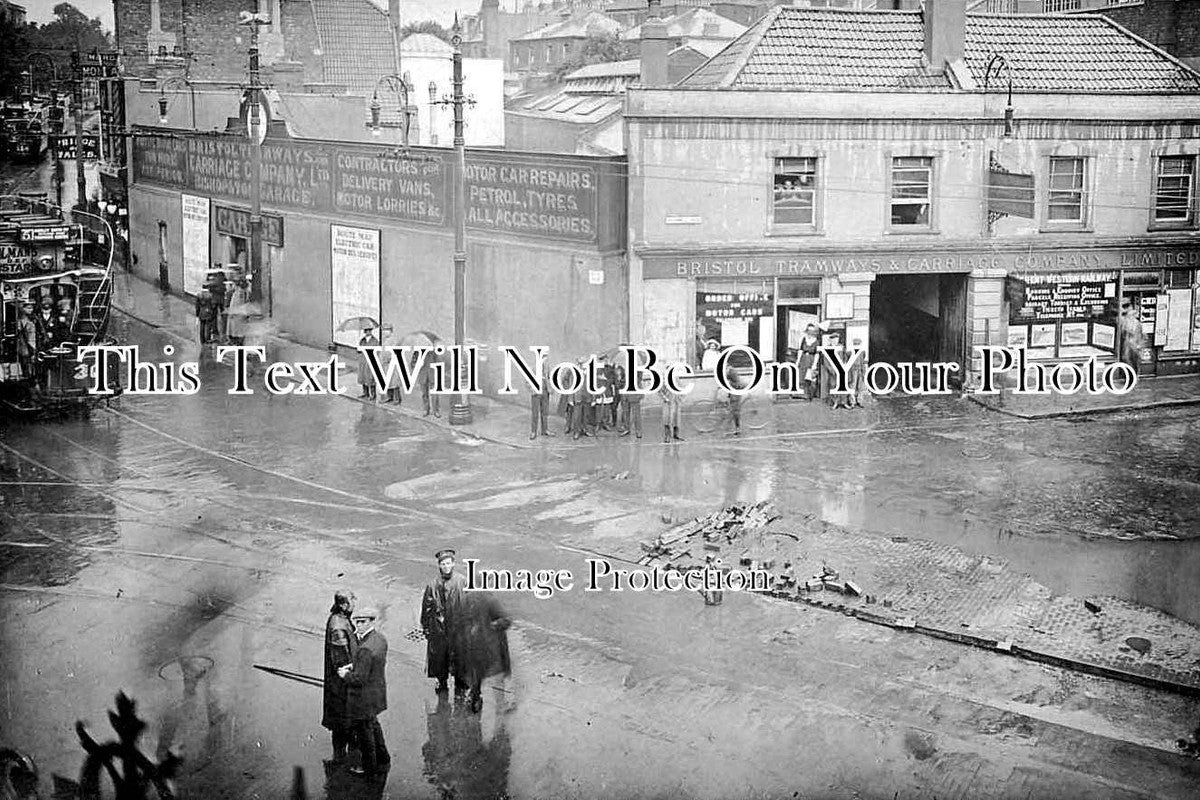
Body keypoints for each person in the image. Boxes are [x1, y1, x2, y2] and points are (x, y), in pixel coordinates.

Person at [339, 606, 390, 776]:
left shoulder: (365, 648)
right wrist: (355, 665)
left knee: (365, 734)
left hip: (363, 699)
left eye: (363, 622)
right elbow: (372, 664)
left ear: (371, 622)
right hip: (376, 693)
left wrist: (345, 674)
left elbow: (358, 679)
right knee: (374, 725)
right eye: (357, 622)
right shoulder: (380, 639)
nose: (359, 625)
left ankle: (369, 768)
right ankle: (383, 757)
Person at [454, 591, 511, 714]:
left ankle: (474, 699)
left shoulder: (465, 600)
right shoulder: (490, 600)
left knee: (476, 673)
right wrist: (493, 626)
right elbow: (506, 620)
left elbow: (458, 620)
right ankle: (500, 705)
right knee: (497, 675)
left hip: (472, 644)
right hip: (489, 645)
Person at [420, 549, 468, 695]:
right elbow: (426, 607)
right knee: (440, 657)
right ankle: (441, 681)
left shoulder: (462, 581)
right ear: (439, 565)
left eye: (448, 563)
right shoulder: (432, 585)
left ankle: (461, 683)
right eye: (443, 564)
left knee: (460, 656)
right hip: (439, 629)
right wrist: (426, 627)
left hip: (458, 628)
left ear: (453, 564)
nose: (446, 566)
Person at [322, 589, 358, 764]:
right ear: (343, 605)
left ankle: (341, 756)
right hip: (341, 683)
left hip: (339, 682)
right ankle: (342, 761)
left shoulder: (340, 619)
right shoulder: (338, 627)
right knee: (343, 719)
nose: (354, 605)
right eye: (351, 602)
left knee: (342, 721)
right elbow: (342, 659)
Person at [530, 358, 554, 440]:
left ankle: (545, 430)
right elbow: (528, 381)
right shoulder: (533, 368)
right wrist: (532, 390)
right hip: (536, 393)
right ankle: (533, 431)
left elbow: (551, 378)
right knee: (535, 413)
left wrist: (550, 388)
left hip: (545, 392)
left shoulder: (547, 367)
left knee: (545, 412)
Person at [1118, 301, 1145, 373]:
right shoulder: (1126, 322)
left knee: (1133, 360)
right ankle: (1131, 373)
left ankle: (1133, 374)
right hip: (1129, 344)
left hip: (1133, 345)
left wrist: (1139, 345)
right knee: (1127, 359)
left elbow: (1140, 335)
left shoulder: (1136, 324)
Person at [796, 323, 821, 401]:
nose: (810, 333)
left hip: (811, 359)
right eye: (809, 331)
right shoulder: (804, 339)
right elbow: (800, 350)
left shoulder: (817, 341)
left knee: (810, 377)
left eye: (811, 331)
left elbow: (817, 353)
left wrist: (814, 364)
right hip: (804, 359)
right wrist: (798, 360)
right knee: (802, 376)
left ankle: (811, 395)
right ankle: (804, 394)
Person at [618, 368, 645, 439]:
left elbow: (639, 382)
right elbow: (621, 383)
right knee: (625, 413)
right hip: (625, 395)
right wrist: (620, 379)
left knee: (636, 415)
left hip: (634, 396)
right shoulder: (624, 372)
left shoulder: (638, 371)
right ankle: (627, 429)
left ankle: (638, 431)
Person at [15, 301, 37, 379]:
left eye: (31, 308)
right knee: (27, 367)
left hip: (32, 344)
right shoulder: (21, 321)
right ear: (23, 309)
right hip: (26, 346)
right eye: (28, 308)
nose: (31, 310)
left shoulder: (33, 319)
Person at [659, 373, 684, 443]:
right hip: (668, 403)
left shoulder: (676, 378)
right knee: (666, 419)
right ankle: (667, 436)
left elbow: (681, 389)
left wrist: (680, 398)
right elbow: (660, 391)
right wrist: (665, 399)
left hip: (676, 402)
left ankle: (676, 434)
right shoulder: (663, 380)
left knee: (676, 419)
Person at [357, 329, 379, 400]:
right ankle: (365, 393)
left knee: (371, 378)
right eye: (366, 331)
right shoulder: (362, 340)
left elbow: (377, 351)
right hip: (363, 361)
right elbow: (359, 350)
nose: (368, 332)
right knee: (363, 377)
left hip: (370, 361)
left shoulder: (375, 341)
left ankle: (373, 394)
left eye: (369, 330)